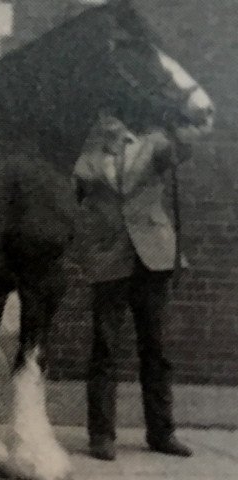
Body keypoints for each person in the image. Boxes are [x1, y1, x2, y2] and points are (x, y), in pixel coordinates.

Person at [73, 113, 193, 461]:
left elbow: (180, 152)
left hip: (152, 257)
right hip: (108, 260)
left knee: (154, 348)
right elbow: (74, 202)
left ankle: (162, 432)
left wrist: (181, 125)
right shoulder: (85, 158)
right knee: (104, 348)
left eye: (115, 113)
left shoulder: (154, 144)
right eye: (103, 114)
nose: (109, 120)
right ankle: (101, 435)